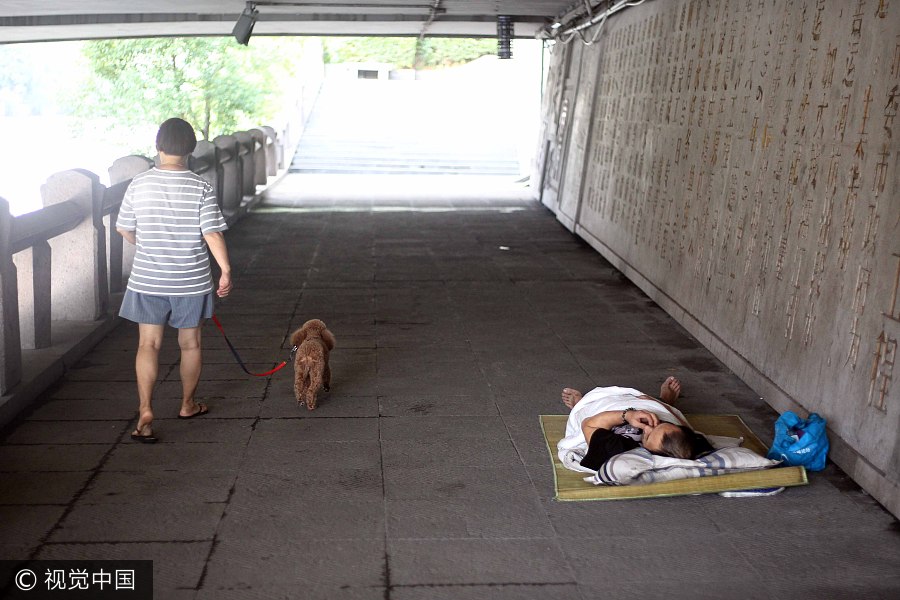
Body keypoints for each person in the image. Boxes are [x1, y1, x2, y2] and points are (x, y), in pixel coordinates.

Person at [116, 117, 232, 443]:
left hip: (147, 280)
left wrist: (146, 244)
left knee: (148, 344)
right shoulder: (200, 187)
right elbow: (211, 233)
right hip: (191, 281)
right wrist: (225, 270)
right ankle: (187, 404)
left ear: (158, 146)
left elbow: (124, 228)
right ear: (190, 150)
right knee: (190, 343)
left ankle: (145, 412)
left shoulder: (138, 185)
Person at [557, 376, 712, 471]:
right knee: (653, 405)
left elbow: (588, 424)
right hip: (638, 403)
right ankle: (664, 401)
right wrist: (658, 406)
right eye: (659, 424)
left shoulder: (621, 451)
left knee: (586, 408)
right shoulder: (687, 442)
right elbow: (679, 423)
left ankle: (580, 403)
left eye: (649, 435)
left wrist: (627, 415)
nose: (649, 426)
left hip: (602, 411)